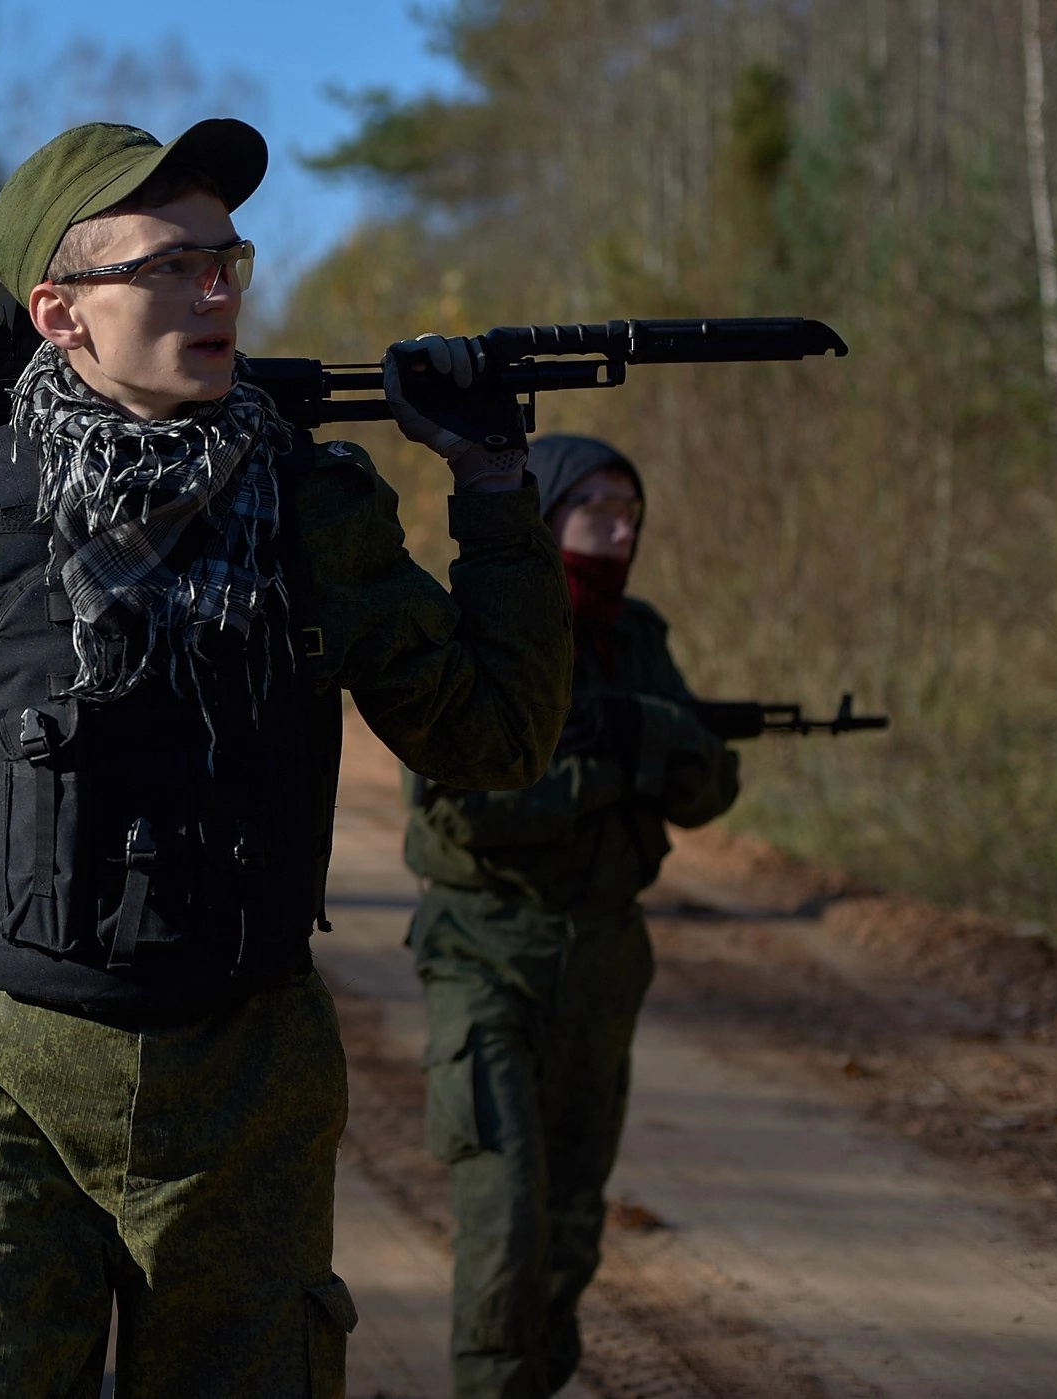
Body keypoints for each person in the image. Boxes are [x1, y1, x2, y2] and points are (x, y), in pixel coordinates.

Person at [0, 120, 573, 1399]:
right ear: (60, 313)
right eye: (169, 264)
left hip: (247, 1090)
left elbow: (494, 738)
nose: (214, 288)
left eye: (226, 260)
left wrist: (489, 480)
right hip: (5, 1073)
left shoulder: (316, 507)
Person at [404, 433, 738, 1399]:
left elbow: (710, 786)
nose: (620, 526)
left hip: (601, 958)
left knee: (569, 1226)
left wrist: (659, 730)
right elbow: (467, 807)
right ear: (547, 514)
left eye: (631, 509)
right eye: (596, 506)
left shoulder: (636, 639)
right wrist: (618, 768)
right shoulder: (483, 634)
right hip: (486, 954)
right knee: (505, 1215)